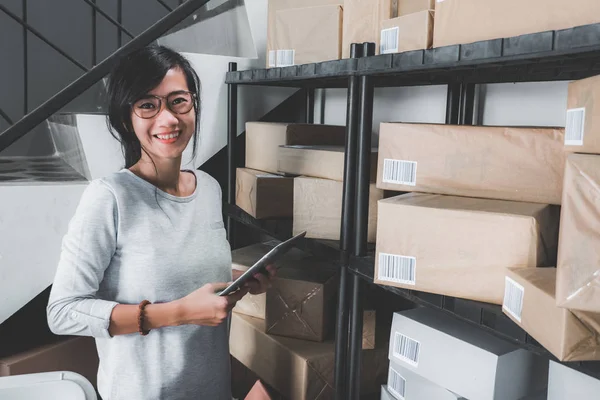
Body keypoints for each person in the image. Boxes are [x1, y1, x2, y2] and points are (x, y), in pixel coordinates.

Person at [46, 45, 273, 400]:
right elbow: (63, 312)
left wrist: (239, 283)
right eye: (148, 105)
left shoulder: (208, 188)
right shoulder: (109, 197)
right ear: (127, 119)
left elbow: (183, 276)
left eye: (179, 101)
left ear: (194, 106)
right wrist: (180, 313)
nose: (168, 119)